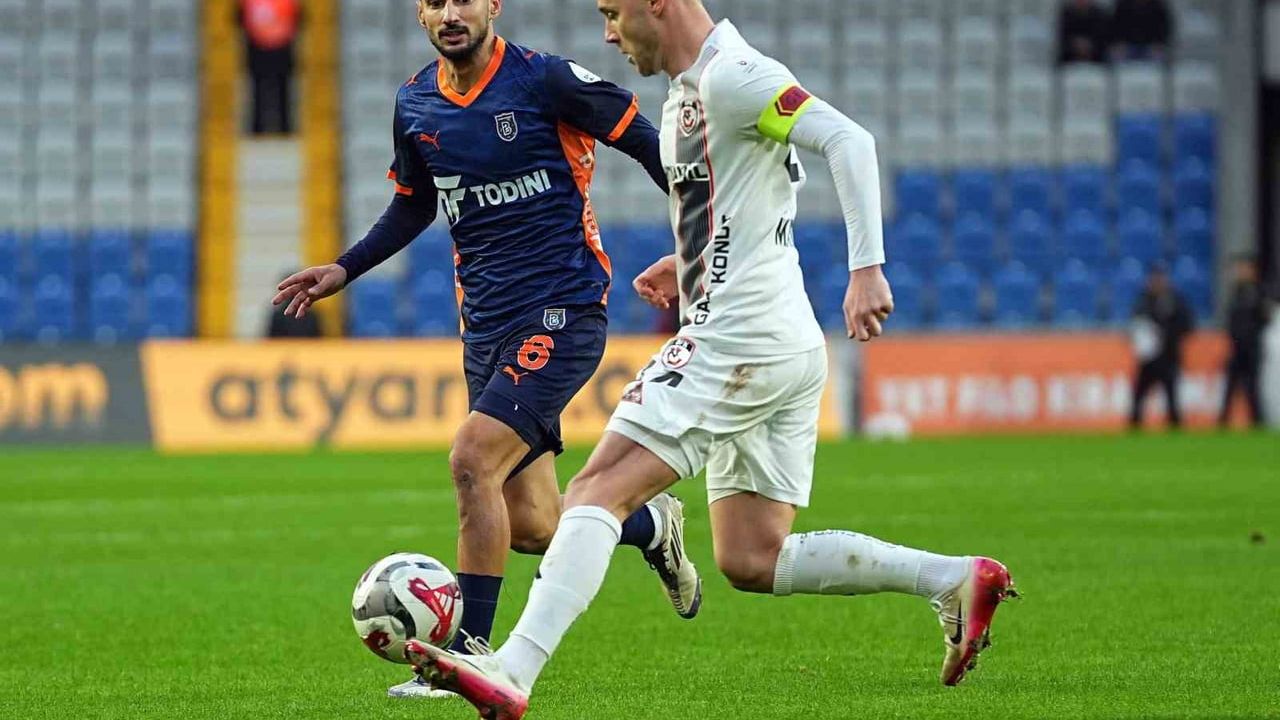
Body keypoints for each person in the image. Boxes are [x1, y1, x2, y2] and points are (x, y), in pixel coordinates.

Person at [402, 1, 1018, 716]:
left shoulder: (735, 77)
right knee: (751, 558)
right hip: (779, 338)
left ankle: (512, 670)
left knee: (598, 490)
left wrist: (866, 270)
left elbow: (850, 141)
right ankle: (952, 579)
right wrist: (689, 260)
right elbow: (763, 191)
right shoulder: (690, 92)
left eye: (612, 12)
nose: (607, 32)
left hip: (738, 341)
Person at [272, 0, 700, 700]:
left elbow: (651, 143)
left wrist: (692, 244)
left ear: (492, 6)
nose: (451, 12)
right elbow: (414, 204)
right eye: (436, 1)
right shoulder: (415, 104)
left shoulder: (546, 80)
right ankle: (649, 523)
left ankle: (468, 654)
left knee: (471, 457)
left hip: (563, 310)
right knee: (532, 525)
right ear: (421, 13)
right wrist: (343, 269)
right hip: (487, 328)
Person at [1129, 265, 1194, 429]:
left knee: (1171, 395)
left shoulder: (1175, 300)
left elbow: (1188, 325)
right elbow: (1135, 324)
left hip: (1168, 356)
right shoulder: (1143, 299)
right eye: (1153, 279)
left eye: (1159, 278)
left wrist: (1166, 334)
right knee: (1139, 395)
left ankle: (1175, 427)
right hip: (1148, 359)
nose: (1156, 282)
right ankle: (1134, 427)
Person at [1219, 258, 1270, 428]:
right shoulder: (1237, 292)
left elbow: (1265, 319)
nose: (1240, 272)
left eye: (1244, 269)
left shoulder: (1260, 293)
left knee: (1252, 388)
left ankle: (1257, 421)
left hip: (1252, 348)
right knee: (1230, 387)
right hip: (1236, 347)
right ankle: (1223, 422)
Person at [237, 0, 302, 135]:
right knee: (258, 92)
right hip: (258, 51)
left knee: (283, 91)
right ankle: (257, 128)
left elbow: (299, 19)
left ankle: (285, 128)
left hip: (281, 50)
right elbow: (239, 19)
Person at [1057, 0, 1112, 64]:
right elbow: (1064, 37)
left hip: (1095, 56)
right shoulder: (1068, 14)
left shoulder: (1099, 15)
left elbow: (1102, 38)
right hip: (1071, 55)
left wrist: (1087, 46)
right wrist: (1077, 45)